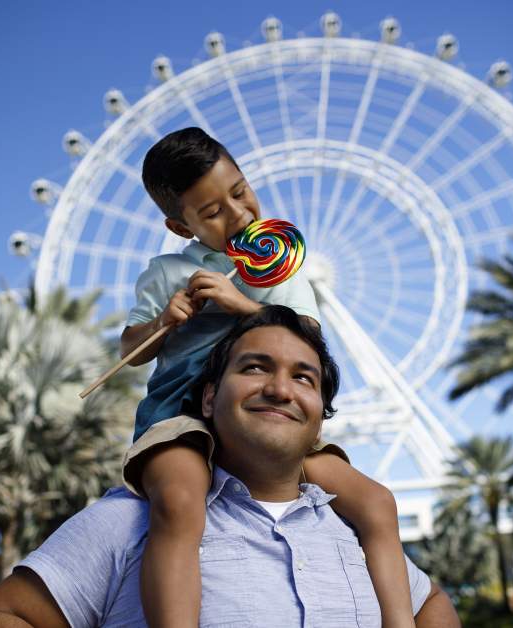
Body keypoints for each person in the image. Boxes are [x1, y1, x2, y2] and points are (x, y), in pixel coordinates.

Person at [0, 305, 461, 627]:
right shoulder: (135, 520)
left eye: (303, 379)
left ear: (319, 422)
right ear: (207, 399)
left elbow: (433, 605)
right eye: (254, 368)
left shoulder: (357, 534)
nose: (280, 389)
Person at [120, 127, 415, 627]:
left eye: (240, 191)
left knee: (377, 503)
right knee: (178, 498)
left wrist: (242, 306)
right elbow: (130, 352)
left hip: (270, 424)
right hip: (180, 420)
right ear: (179, 226)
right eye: (212, 212)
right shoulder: (166, 271)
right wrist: (162, 322)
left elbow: (308, 337)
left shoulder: (279, 263)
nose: (238, 214)